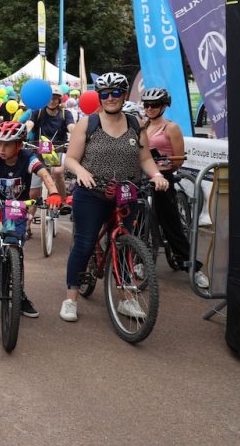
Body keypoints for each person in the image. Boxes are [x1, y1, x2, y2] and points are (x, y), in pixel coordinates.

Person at [60, 72, 170, 322]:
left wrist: (156, 175)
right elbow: (71, 159)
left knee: (123, 245)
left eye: (116, 93)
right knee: (84, 244)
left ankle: (126, 299)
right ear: (100, 97)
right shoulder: (88, 123)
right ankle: (71, 298)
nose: (111, 98)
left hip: (125, 193)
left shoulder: (135, 124)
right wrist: (82, 172)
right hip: (92, 194)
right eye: (105, 94)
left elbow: (145, 159)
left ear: (123, 95)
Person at [0, 121, 61, 318]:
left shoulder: (28, 157)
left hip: (19, 206)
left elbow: (44, 174)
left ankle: (19, 293)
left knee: (15, 252)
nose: (1, 148)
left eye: (7, 144)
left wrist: (53, 192)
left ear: (19, 144)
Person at [141, 87, 208, 289]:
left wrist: (163, 166)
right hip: (143, 177)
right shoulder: (142, 127)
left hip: (163, 177)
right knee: (137, 220)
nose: (149, 108)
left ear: (164, 106)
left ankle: (193, 267)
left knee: (170, 223)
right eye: (146, 105)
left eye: (154, 105)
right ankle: (138, 260)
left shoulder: (171, 128)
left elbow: (178, 159)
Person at [25, 85, 76, 212]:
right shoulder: (38, 112)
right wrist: (24, 131)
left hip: (57, 150)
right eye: (49, 98)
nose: (52, 101)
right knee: (33, 193)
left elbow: (71, 126)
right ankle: (27, 225)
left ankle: (63, 202)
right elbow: (29, 124)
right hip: (38, 151)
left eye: (55, 98)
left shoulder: (65, 113)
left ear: (59, 100)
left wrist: (76, 134)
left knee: (58, 172)